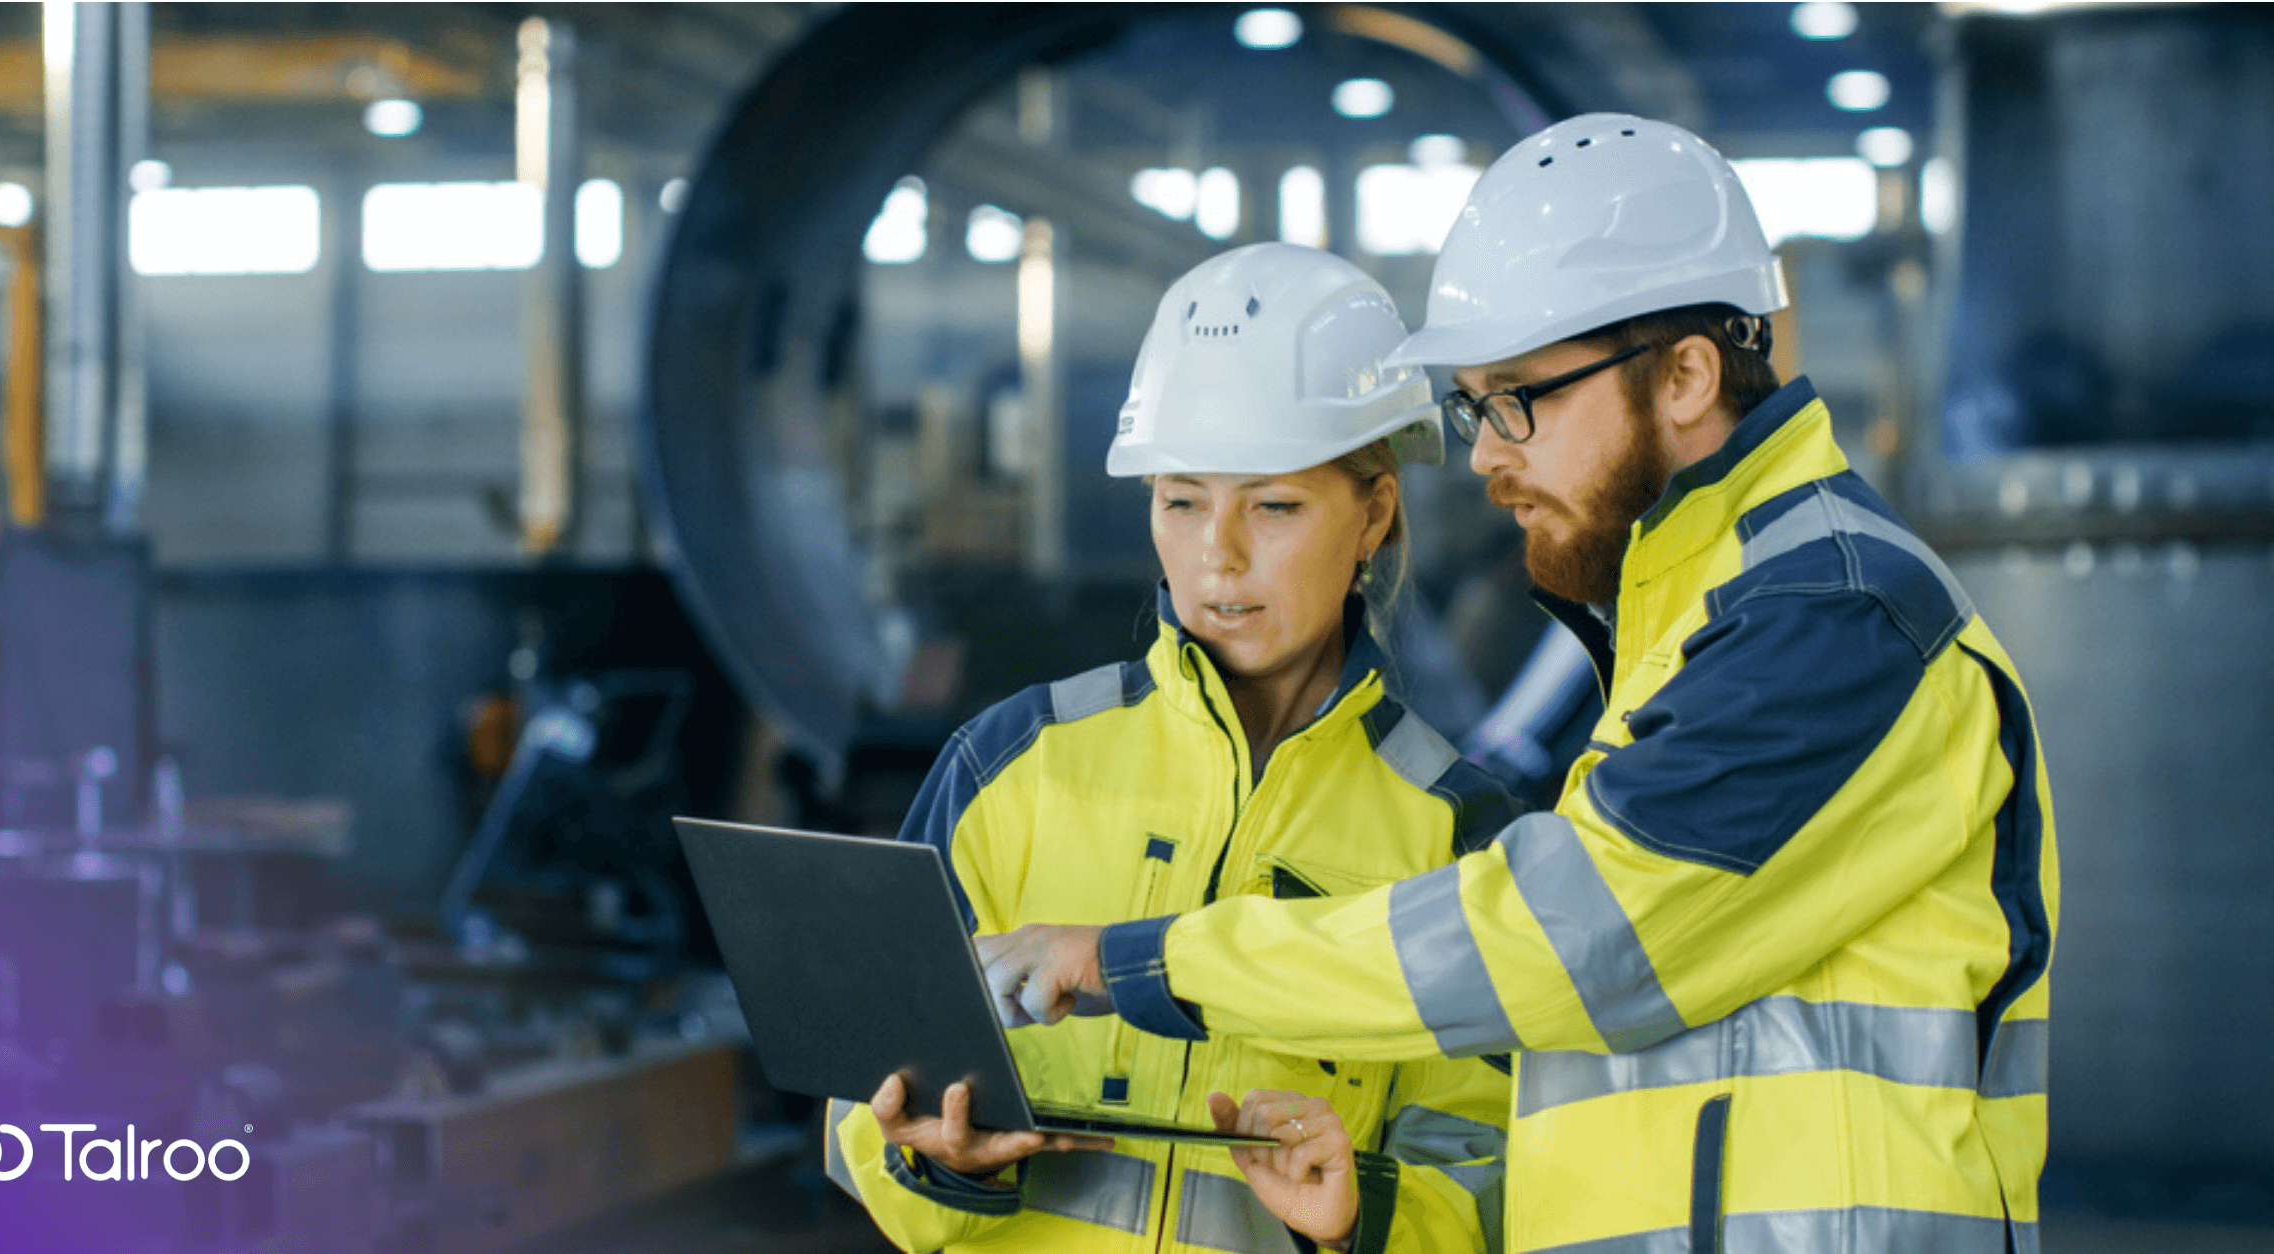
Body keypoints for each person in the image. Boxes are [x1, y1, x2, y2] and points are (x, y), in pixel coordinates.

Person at [978, 114, 2058, 1254]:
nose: (1487, 453)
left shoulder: (1830, 615)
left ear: (1687, 374)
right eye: (1475, 404)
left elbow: (1569, 943)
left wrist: (1136, 961)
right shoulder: (1692, 613)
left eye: (1517, 398)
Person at [825, 243, 1523, 1254]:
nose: (1218, 557)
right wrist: (927, 1157)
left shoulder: (1457, 837)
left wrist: (1363, 1218)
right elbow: (854, 1106)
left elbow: (1484, 1175)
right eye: (1181, 501)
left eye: (1273, 506)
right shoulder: (1011, 764)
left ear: (1373, 513)